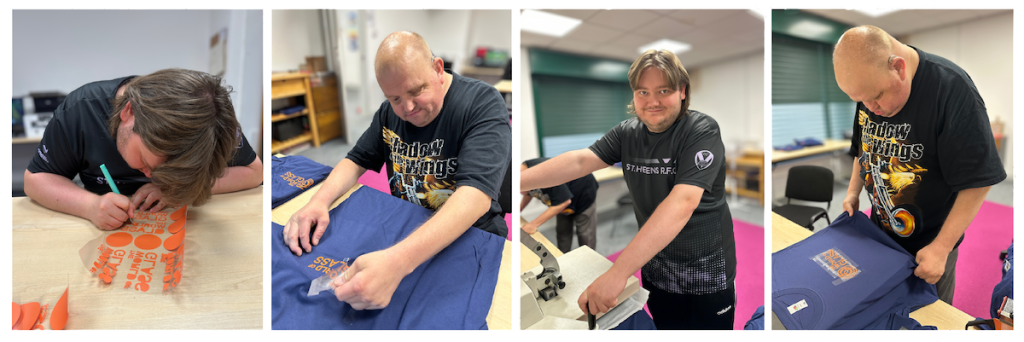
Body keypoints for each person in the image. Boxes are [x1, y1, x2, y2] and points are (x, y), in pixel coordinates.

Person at [282, 31, 511, 310]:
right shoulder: (388, 113)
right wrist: (318, 202)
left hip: (471, 236)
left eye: (416, 91)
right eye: (395, 98)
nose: (408, 108)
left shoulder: (482, 103)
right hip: (407, 227)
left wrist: (397, 262)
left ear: (438, 69)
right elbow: (356, 160)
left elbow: (474, 196)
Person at [521, 49, 735, 330]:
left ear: (682, 91)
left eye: (664, 90)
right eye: (643, 92)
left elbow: (682, 202)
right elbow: (580, 161)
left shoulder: (700, 130)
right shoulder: (627, 132)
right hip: (655, 263)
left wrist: (617, 273)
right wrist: (513, 182)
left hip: (705, 272)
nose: (652, 101)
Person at [834, 25, 1005, 305]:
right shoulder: (868, 90)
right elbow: (862, 147)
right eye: (860, 100)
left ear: (898, 68)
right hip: (879, 235)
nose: (870, 106)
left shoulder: (952, 90)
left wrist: (941, 248)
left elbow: (979, 179)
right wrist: (853, 192)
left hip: (930, 244)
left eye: (876, 97)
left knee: (930, 316)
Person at [24, 68, 263, 230]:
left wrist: (176, 189)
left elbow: (254, 172)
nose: (152, 175)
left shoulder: (212, 123)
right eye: (146, 162)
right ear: (128, 112)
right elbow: (35, 179)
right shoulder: (80, 111)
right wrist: (89, 206)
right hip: (106, 222)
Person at [520, 158, 598, 253]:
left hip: (582, 195)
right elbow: (528, 192)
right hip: (561, 199)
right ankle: (563, 257)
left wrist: (533, 224)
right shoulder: (523, 177)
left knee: (585, 235)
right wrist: (519, 208)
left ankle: (589, 257)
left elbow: (564, 202)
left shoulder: (545, 172)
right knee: (562, 233)